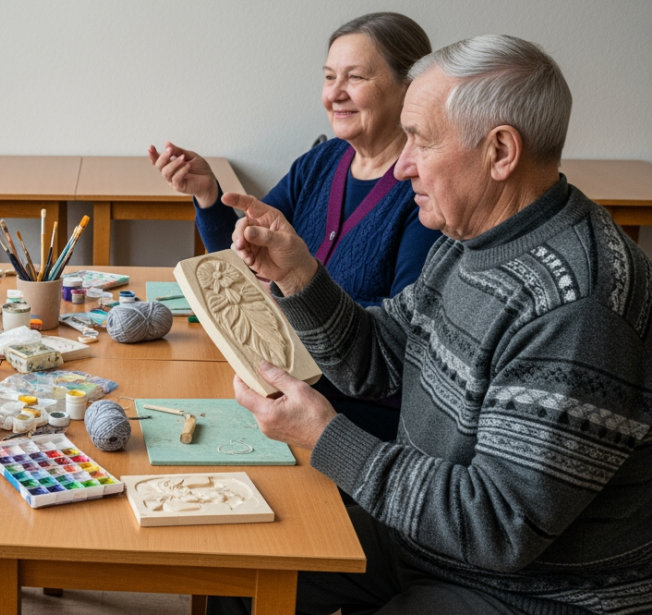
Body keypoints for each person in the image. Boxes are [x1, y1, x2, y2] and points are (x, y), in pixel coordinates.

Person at [219, 35, 652, 613]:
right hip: (426, 542)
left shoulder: (578, 305)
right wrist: (299, 275)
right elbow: (378, 358)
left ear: (500, 152)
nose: (400, 167)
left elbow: (498, 526)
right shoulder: (469, 241)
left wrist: (325, 438)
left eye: (419, 140)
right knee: (241, 577)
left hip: (530, 592)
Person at [149, 12, 442, 441]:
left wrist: (297, 293)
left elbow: (398, 345)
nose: (335, 94)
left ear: (409, 86)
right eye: (329, 77)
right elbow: (248, 264)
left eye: (355, 77)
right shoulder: (319, 164)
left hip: (352, 413)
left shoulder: (423, 193)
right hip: (280, 377)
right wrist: (209, 195)